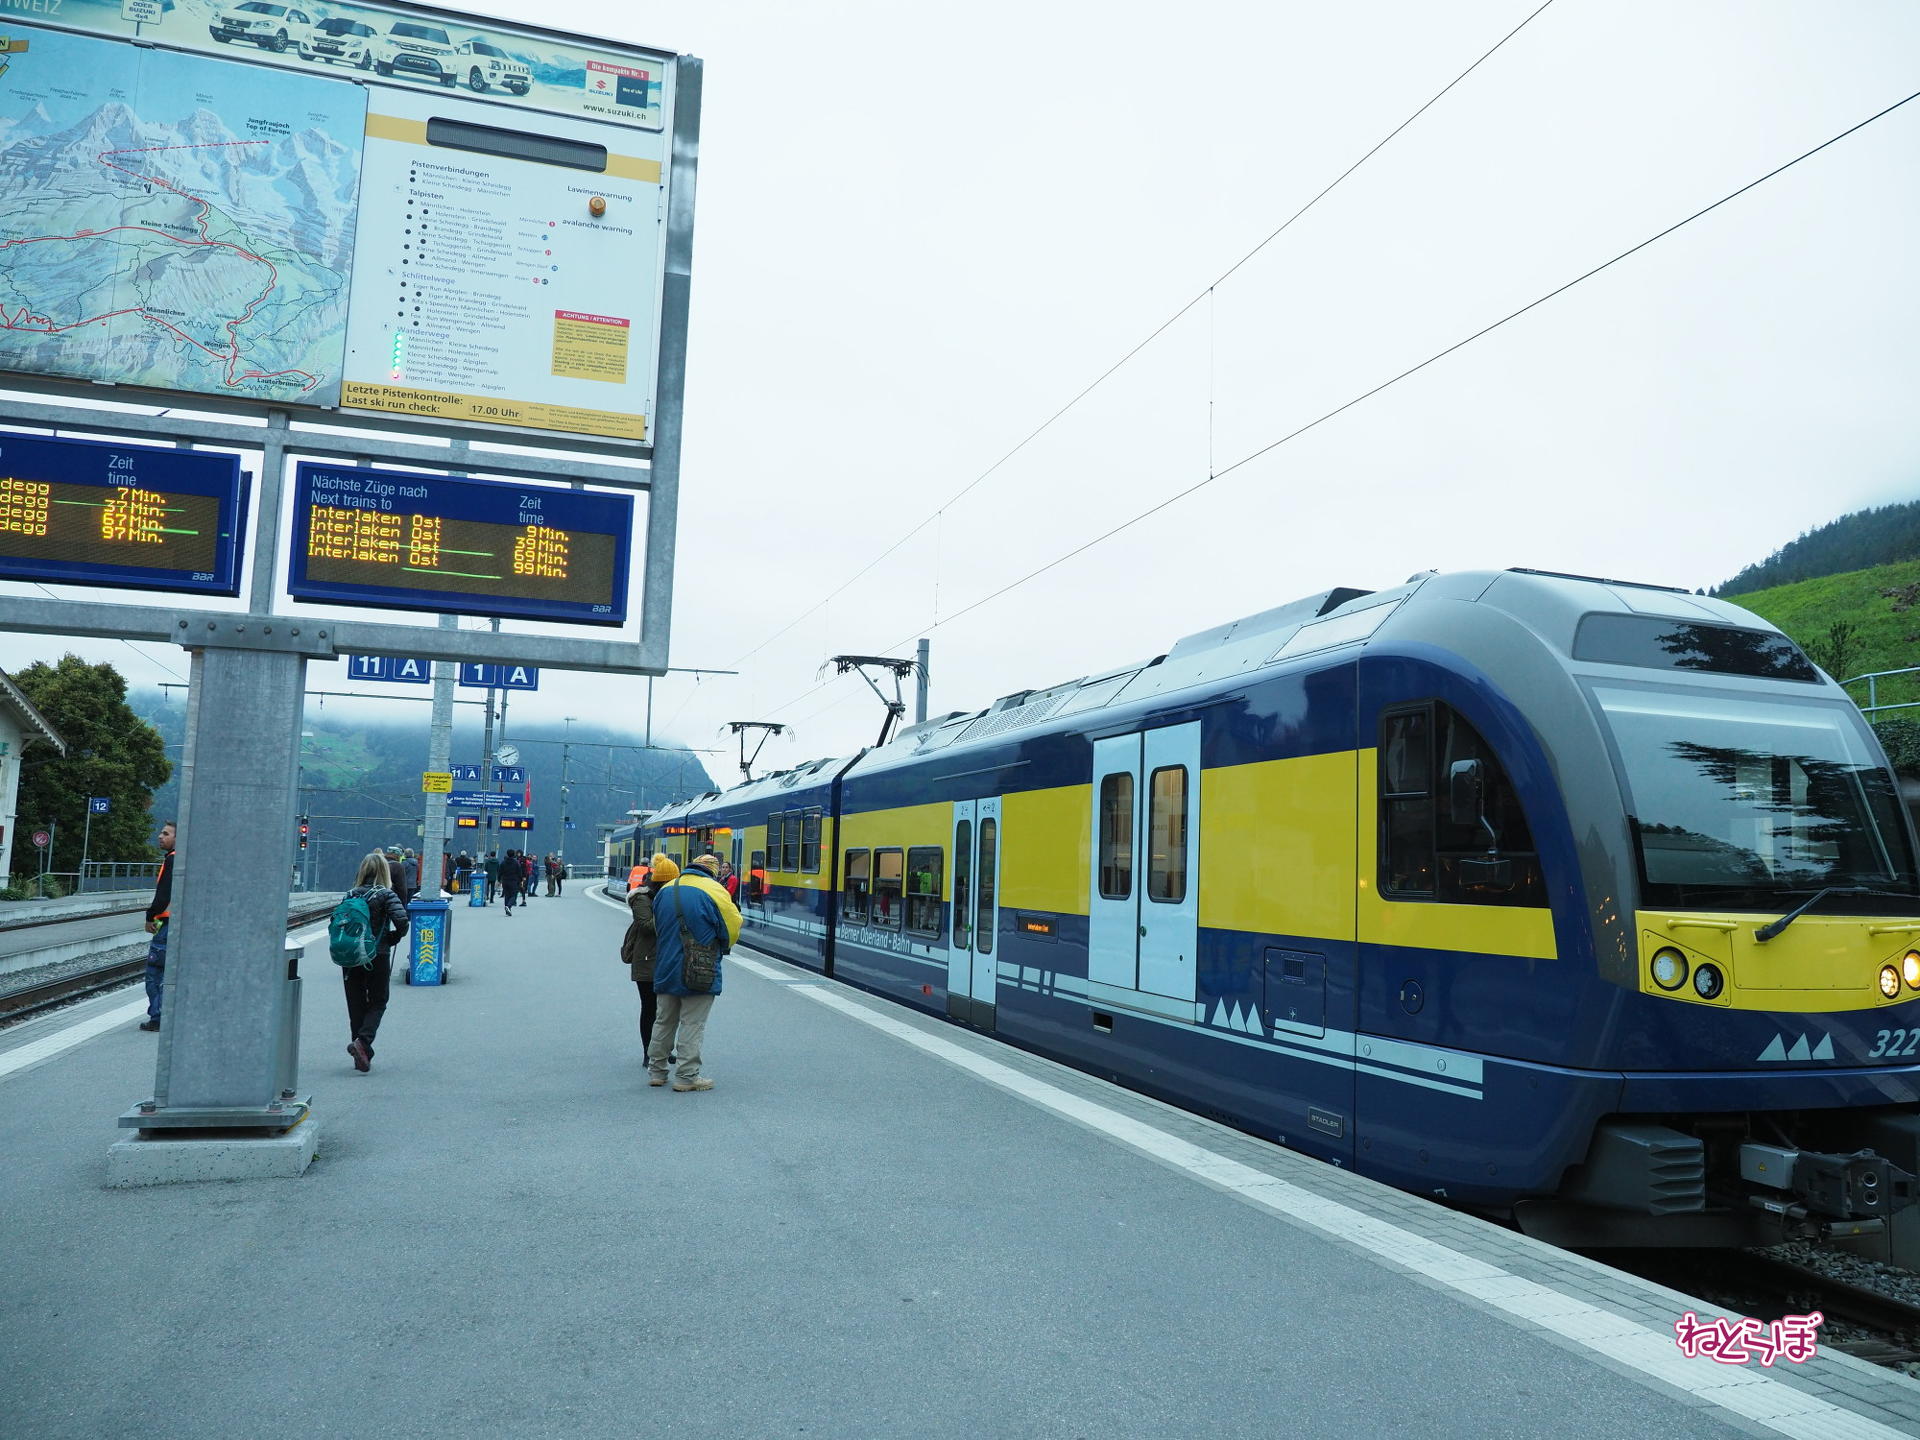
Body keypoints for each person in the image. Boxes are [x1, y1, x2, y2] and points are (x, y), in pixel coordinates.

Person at [647, 851, 742, 1092]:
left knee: (663, 1020)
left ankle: (657, 1071)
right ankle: (686, 1076)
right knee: (692, 1022)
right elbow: (732, 928)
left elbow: (658, 927)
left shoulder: (666, 889)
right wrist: (720, 944)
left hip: (665, 965)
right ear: (713, 871)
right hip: (699, 967)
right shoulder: (714, 890)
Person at [342, 851, 410, 1073]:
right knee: (379, 1000)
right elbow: (402, 921)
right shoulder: (385, 894)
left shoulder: (350, 894)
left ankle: (360, 1052)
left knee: (356, 1003)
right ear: (383, 871)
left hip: (350, 956)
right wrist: (393, 938)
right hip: (376, 954)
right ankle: (363, 1043)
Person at [622, 856, 662, 1064]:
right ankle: (648, 1051)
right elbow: (646, 926)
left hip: (661, 959)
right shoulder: (641, 899)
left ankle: (661, 1048)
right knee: (649, 1007)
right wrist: (669, 916)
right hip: (646, 959)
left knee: (663, 1009)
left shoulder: (660, 897)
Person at [139, 820, 176, 1032]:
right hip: (176, 922)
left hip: (166, 924)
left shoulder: (172, 860)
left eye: (166, 833)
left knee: (155, 973)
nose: (160, 836)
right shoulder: (183, 860)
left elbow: (163, 895)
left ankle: (158, 1018)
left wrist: (150, 916)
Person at [501, 847, 523, 916]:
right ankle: (509, 906)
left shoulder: (503, 862)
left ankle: (507, 910)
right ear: (514, 854)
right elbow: (519, 872)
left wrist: (499, 880)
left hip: (505, 880)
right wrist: (521, 880)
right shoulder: (516, 863)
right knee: (514, 895)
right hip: (513, 881)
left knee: (507, 895)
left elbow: (500, 871)